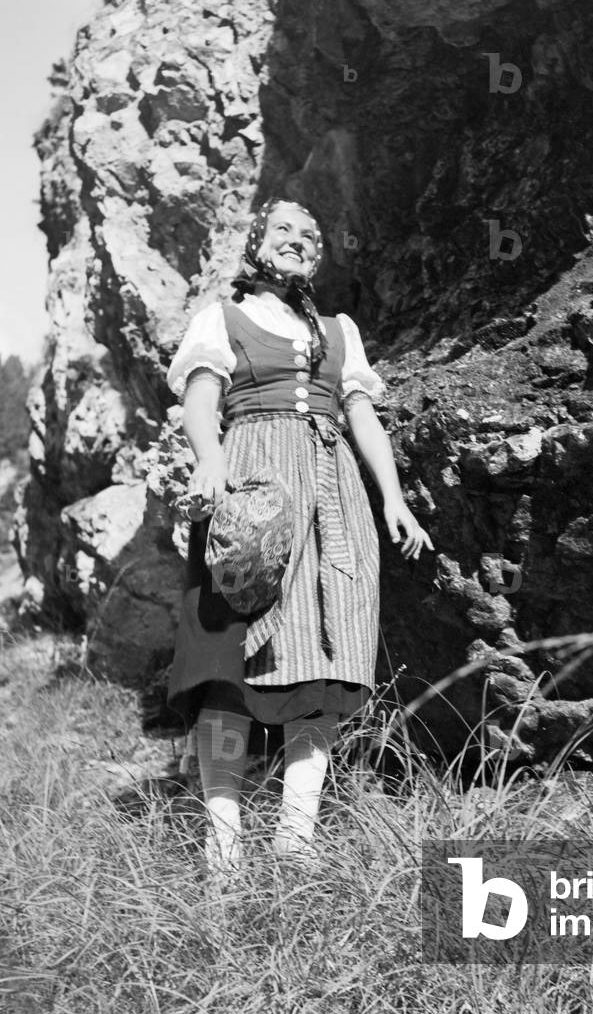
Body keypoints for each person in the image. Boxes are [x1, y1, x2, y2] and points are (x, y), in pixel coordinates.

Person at [164, 197, 433, 878]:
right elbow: (199, 400)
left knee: (323, 661)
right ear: (257, 243)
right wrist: (211, 458)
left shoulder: (339, 331)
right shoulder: (221, 319)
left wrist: (394, 498)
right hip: (253, 491)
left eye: (310, 235)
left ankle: (297, 840)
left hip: (332, 494)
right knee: (228, 663)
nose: (298, 240)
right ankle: (222, 849)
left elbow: (362, 416)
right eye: (283, 229)